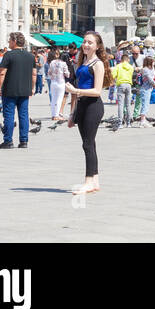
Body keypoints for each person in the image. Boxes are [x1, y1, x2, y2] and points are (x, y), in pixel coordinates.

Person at [65, 31, 110, 195]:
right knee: (90, 144)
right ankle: (95, 180)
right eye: (84, 42)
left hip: (93, 106)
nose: (86, 45)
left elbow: (97, 91)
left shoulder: (97, 64)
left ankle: (88, 181)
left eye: (90, 42)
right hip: (82, 105)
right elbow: (77, 91)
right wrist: (72, 114)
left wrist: (75, 90)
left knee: (87, 144)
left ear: (97, 46)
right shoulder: (82, 61)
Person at [0, 32, 37, 149]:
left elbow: (2, 73)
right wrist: (32, 88)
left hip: (10, 90)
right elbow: (34, 74)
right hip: (25, 90)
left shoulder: (8, 55)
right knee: (24, 115)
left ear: (14, 41)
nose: (8, 42)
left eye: (9, 40)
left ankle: (8, 141)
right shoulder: (31, 56)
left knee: (9, 115)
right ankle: (24, 141)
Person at [111, 53, 134, 130]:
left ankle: (120, 123)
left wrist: (115, 81)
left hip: (121, 85)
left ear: (121, 60)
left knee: (120, 105)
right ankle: (128, 123)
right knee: (128, 105)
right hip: (128, 85)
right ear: (128, 60)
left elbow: (113, 76)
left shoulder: (117, 66)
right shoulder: (131, 67)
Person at [46, 50, 68, 121]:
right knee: (59, 99)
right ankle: (57, 115)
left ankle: (53, 115)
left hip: (53, 82)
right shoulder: (64, 63)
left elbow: (49, 72)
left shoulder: (52, 62)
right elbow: (67, 74)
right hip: (61, 82)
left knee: (53, 99)